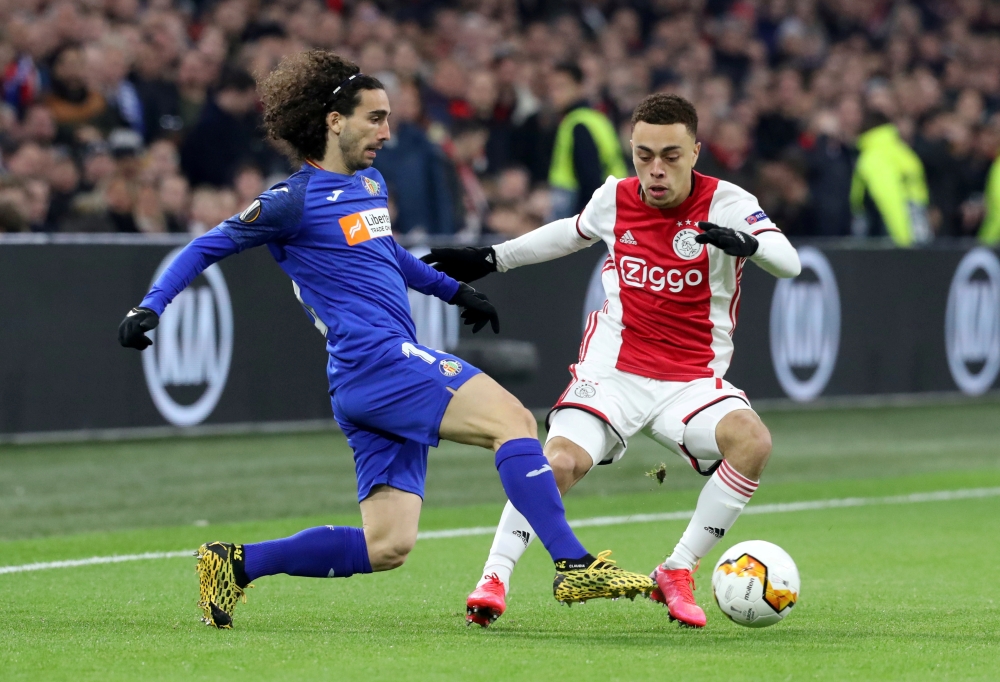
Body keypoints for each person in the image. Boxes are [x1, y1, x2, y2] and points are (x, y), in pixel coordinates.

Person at [117, 50, 653, 630]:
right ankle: (572, 562)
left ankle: (235, 565)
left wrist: (454, 291)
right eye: (375, 118)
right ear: (333, 121)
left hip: (365, 381)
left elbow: (387, 255)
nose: (387, 132)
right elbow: (205, 246)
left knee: (387, 545)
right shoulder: (291, 200)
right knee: (517, 422)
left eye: (389, 118)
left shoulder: (369, 183)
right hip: (376, 362)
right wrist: (150, 306)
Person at [423, 93, 801, 629]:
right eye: (644, 154)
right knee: (557, 464)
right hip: (613, 373)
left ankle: (677, 569)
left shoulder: (729, 204)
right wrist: (492, 258)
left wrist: (749, 244)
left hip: (692, 380)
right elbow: (570, 232)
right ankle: (494, 577)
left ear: (696, 151)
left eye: (670, 155)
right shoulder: (617, 198)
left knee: (752, 441)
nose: (655, 168)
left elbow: (790, 264)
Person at [547, 62, 627, 219]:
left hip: (581, 208)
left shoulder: (578, 124)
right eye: (551, 88)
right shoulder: (597, 119)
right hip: (613, 200)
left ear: (579, 87)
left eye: (561, 87)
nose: (554, 93)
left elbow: (590, 178)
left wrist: (581, 226)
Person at [850, 110, 931, 246]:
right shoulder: (905, 153)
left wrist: (904, 243)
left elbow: (889, 200)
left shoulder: (872, 158)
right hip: (920, 230)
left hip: (888, 240)